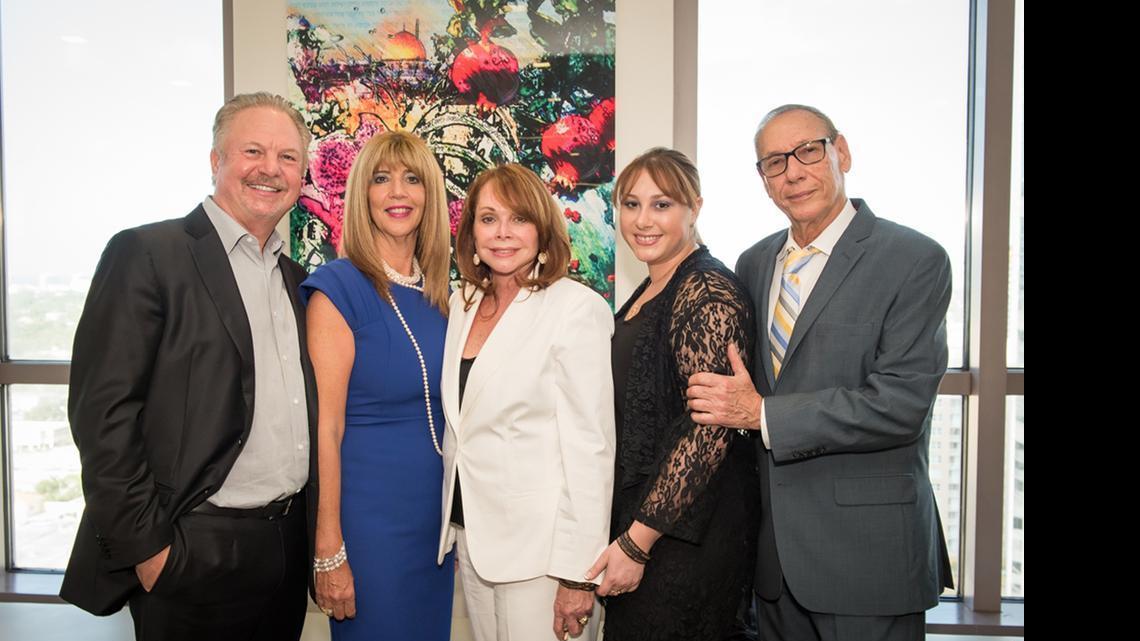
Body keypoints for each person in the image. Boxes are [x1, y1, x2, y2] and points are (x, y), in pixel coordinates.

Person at [686, 104, 955, 641]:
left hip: (867, 560)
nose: (793, 171)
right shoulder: (754, 263)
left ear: (842, 152)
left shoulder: (914, 258)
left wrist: (761, 413)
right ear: (762, 181)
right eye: (774, 162)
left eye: (808, 151)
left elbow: (900, 406)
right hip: (775, 566)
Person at [60, 92, 317, 641]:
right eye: (253, 150)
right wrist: (149, 551)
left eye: (288, 157)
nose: (271, 169)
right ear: (216, 160)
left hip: (286, 545)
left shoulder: (296, 281)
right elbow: (101, 415)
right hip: (190, 547)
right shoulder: (148, 255)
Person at [584, 147, 761, 641]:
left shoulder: (705, 291)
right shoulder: (651, 286)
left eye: (661, 205)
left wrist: (638, 543)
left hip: (686, 539)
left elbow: (706, 433)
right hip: (653, 523)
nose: (643, 220)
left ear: (694, 208)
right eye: (631, 204)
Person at [435, 163, 615, 641]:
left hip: (543, 555)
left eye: (519, 219)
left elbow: (591, 450)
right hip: (472, 538)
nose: (502, 234)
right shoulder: (463, 304)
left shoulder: (576, 310)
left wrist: (578, 573)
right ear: (470, 230)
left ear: (542, 229)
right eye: (489, 218)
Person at [300, 131, 455, 640]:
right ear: (362, 193)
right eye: (382, 179)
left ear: (429, 195)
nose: (397, 193)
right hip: (369, 528)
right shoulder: (339, 289)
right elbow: (327, 429)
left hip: (433, 526)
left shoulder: (442, 297)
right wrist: (329, 547)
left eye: (412, 179)